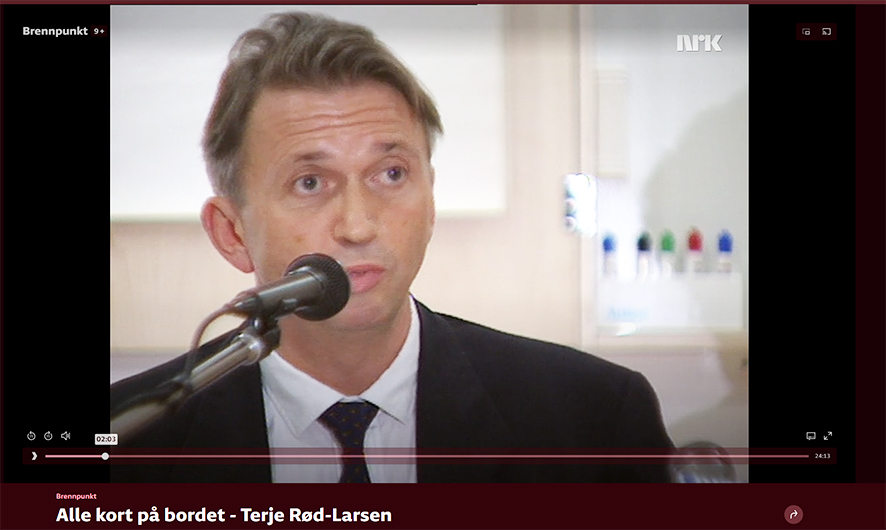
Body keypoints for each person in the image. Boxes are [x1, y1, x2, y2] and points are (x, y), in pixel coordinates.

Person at [110, 11, 673, 483]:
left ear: (431, 200)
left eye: (392, 173)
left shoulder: (593, 418)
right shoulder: (125, 441)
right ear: (231, 233)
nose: (359, 226)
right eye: (310, 182)